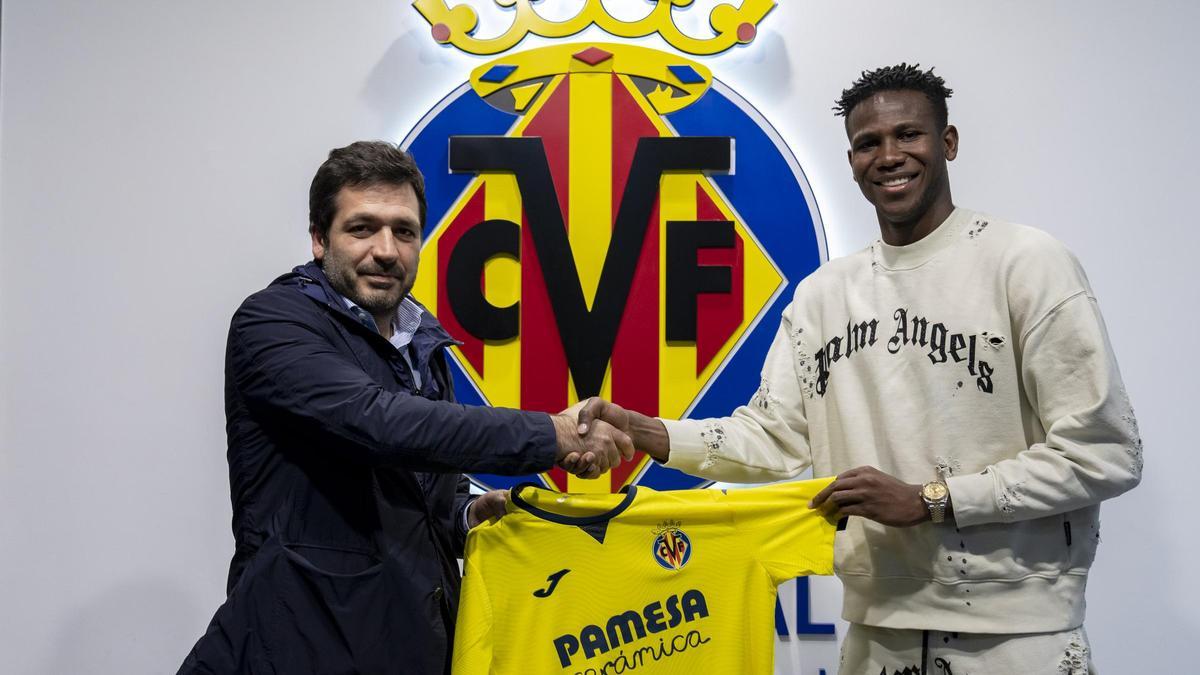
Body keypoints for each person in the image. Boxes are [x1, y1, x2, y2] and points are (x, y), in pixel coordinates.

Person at [576, 64, 1142, 673]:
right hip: (878, 631)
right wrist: (645, 431)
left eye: (910, 136)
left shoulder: (1026, 263)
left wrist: (932, 500)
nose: (890, 155)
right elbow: (775, 439)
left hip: (1019, 636)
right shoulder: (823, 295)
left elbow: (1103, 452)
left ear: (947, 143)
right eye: (869, 143)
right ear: (851, 160)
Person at [178, 141, 631, 675]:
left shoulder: (421, 344)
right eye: (362, 228)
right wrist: (554, 434)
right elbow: (376, 422)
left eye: (404, 231)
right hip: (294, 651)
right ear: (320, 240)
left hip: (408, 649)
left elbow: (421, 489)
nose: (387, 250)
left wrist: (468, 516)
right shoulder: (272, 322)